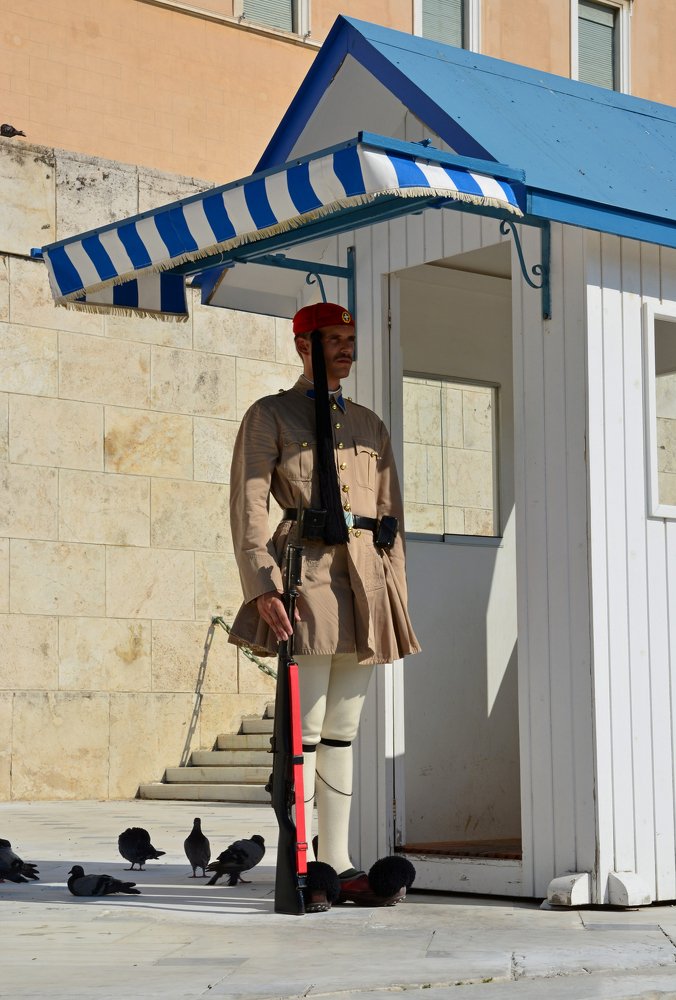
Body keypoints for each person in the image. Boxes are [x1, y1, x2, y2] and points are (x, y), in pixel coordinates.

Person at [228, 301, 420, 905]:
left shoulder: (368, 424)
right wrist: (263, 584)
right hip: (306, 575)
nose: (346, 348)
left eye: (349, 339)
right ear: (302, 345)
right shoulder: (270, 415)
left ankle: (338, 862)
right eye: (333, 339)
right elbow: (248, 508)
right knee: (305, 730)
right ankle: (304, 862)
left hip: (367, 580)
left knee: (344, 730)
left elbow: (391, 515)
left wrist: (396, 593)